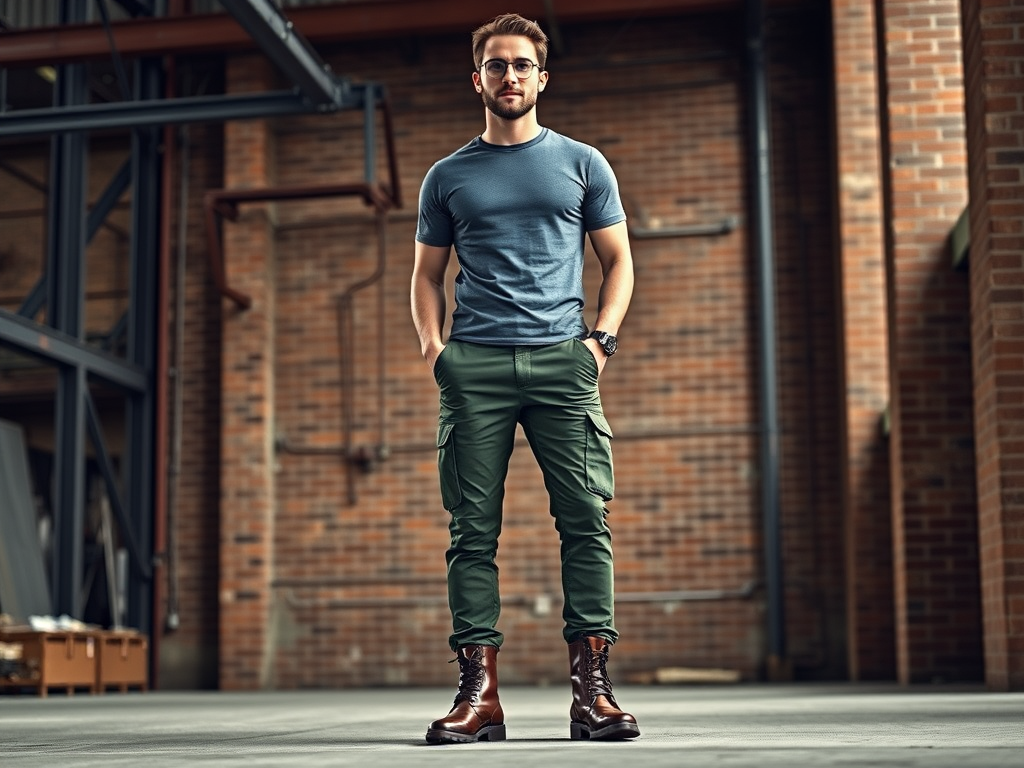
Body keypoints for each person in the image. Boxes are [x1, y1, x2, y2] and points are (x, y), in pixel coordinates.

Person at [410, 12, 639, 744]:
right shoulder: (447, 176)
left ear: (542, 77)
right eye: (496, 65)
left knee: (586, 522)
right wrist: (435, 352)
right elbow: (425, 276)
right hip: (473, 365)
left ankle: (591, 692)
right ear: (477, 78)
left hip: (562, 363)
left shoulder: (581, 163)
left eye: (522, 65)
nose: (510, 76)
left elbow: (620, 262)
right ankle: (480, 696)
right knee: (470, 533)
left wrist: (598, 343)